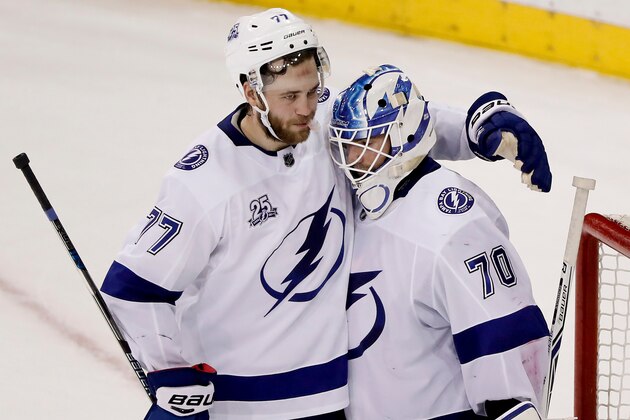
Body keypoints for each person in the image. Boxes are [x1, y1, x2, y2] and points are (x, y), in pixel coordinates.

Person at [100, 8, 551, 420]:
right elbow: (133, 289)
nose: (306, 108)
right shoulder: (202, 181)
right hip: (238, 408)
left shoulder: (320, 121)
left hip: (331, 401)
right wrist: (170, 376)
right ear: (248, 90)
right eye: (290, 95)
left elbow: (398, 122)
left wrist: (478, 127)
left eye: (314, 90)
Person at [328, 64, 549, 419]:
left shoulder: (455, 226)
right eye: (346, 145)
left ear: (401, 138)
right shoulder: (353, 202)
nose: (349, 159)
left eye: (363, 144)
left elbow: (506, 350)